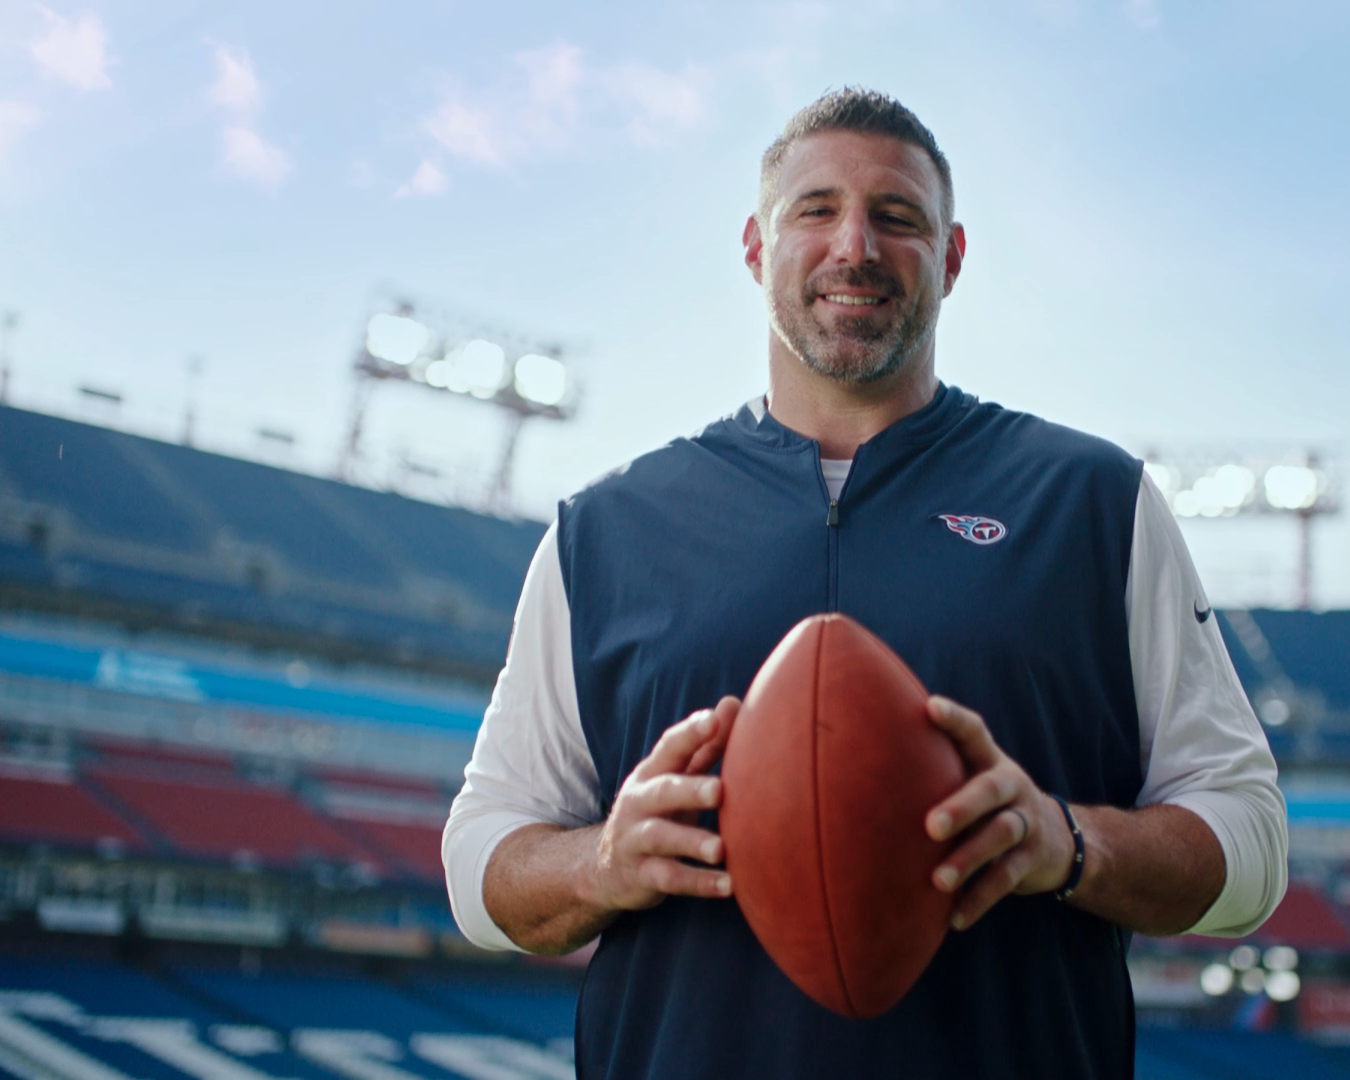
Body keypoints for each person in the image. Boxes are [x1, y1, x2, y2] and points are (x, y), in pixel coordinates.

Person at [443, 88, 1287, 1080]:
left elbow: (1250, 843)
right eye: (816, 211)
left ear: (952, 256)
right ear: (757, 248)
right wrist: (601, 862)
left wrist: (1061, 842)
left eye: (897, 217)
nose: (856, 246)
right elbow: (479, 859)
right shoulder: (608, 530)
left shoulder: (1093, 502)